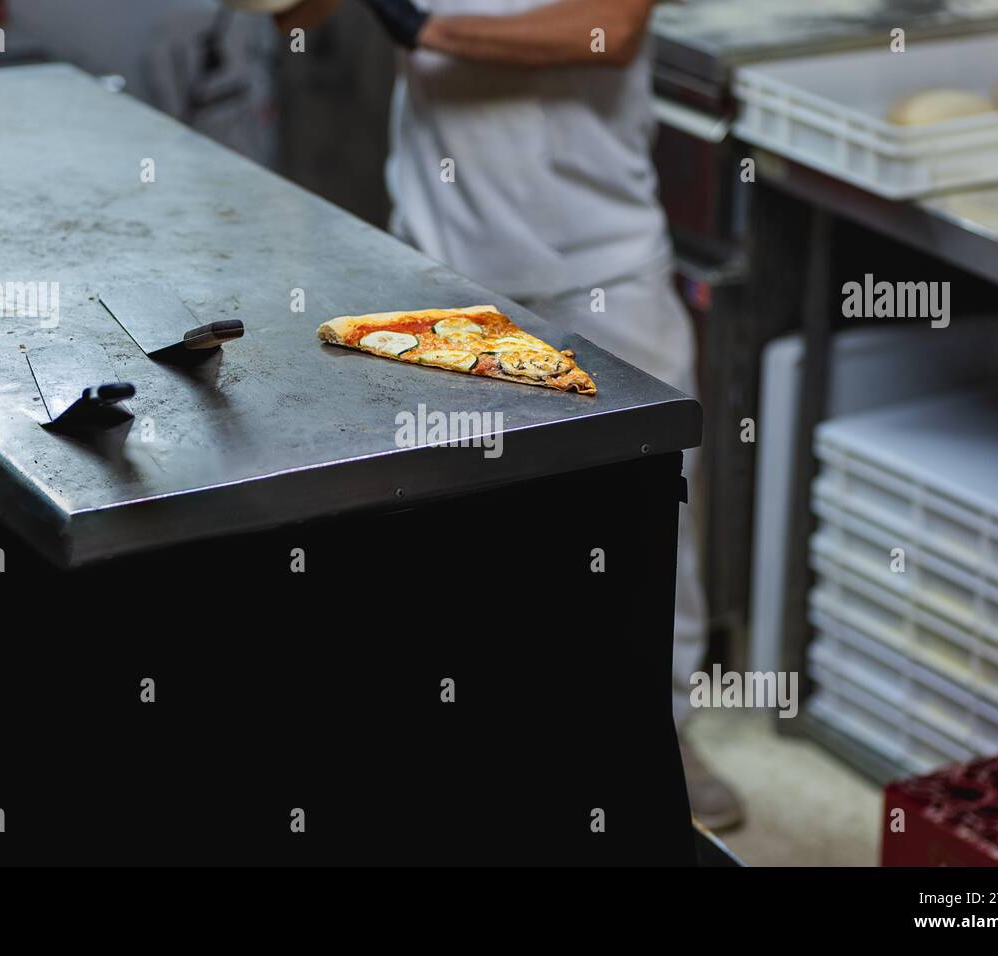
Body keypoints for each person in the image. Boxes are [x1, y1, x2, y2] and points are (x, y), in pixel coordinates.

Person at [238, 0, 742, 831]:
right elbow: (297, 14)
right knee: (446, 518)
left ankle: (664, 732)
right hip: (442, 269)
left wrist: (422, 28)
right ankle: (463, 736)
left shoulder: (432, 23)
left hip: (603, 264)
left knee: (655, 519)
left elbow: (607, 33)